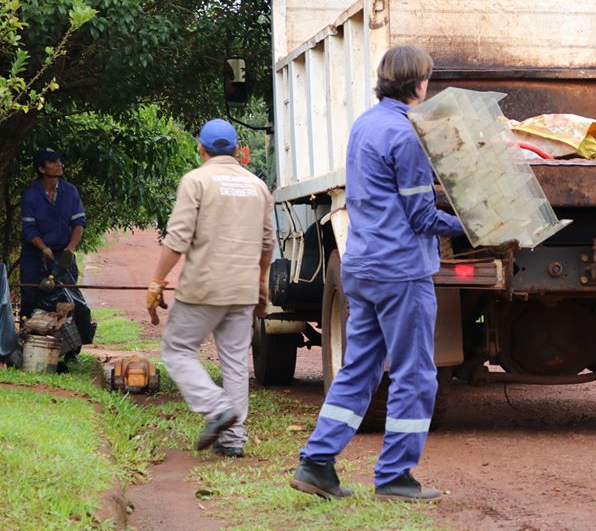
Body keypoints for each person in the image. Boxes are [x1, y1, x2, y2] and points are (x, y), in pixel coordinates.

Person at [290, 45, 465, 502]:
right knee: (414, 375)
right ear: (419, 84)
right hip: (401, 271)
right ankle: (394, 477)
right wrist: (472, 224)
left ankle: (317, 463)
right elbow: (422, 217)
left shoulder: (365, 124)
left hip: (362, 266)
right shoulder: (407, 134)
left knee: (359, 369)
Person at [146, 119, 275, 458]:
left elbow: (177, 239)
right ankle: (233, 440)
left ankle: (217, 409)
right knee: (234, 362)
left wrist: (158, 281)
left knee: (177, 350)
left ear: (201, 149)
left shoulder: (196, 181)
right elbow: (267, 244)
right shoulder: (257, 186)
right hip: (244, 288)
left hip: (204, 287)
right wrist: (261, 285)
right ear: (237, 151)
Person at [19, 148, 86, 319]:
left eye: (59, 161)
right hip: (34, 255)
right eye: (52, 162)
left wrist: (70, 249)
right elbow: (29, 230)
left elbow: (78, 223)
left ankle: (65, 343)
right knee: (30, 299)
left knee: (67, 300)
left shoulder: (70, 192)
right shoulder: (31, 196)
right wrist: (44, 248)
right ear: (42, 169)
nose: (59, 164)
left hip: (63, 254)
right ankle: (27, 339)